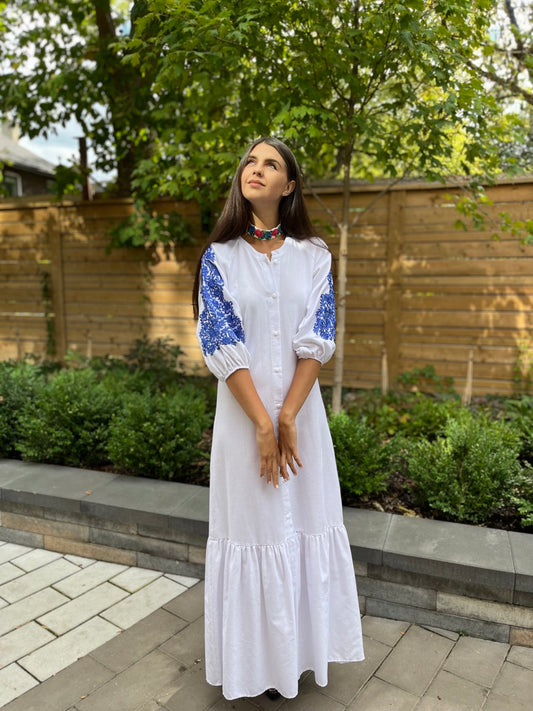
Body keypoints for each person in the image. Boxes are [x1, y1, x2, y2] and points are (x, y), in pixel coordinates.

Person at [193, 136, 364, 701]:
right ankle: (259, 665)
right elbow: (219, 340)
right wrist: (263, 425)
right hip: (243, 424)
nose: (256, 169)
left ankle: (302, 655)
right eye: (250, 161)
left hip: (302, 419)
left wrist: (287, 414)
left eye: (271, 164)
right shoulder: (218, 258)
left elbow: (318, 337)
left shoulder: (316, 256)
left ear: (288, 186)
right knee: (255, 530)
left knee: (304, 522)